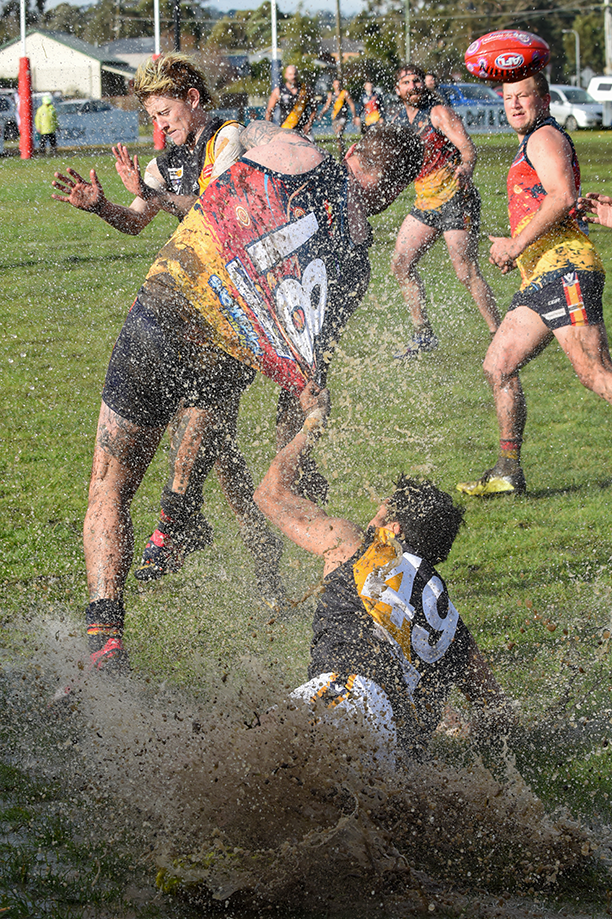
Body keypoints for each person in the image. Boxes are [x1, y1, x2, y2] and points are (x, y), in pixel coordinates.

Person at [77, 122, 424, 675]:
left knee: (110, 483)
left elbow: (224, 130)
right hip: (229, 353)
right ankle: (185, 521)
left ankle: (105, 637)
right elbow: (308, 374)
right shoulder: (356, 258)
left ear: (353, 149)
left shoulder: (294, 147)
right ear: (398, 189)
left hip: (169, 306)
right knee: (216, 466)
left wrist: (182, 131)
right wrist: (294, 455)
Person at [51, 53, 283, 597]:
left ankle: (189, 526)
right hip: (193, 312)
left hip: (235, 315)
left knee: (203, 434)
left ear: (193, 100)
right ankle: (259, 558)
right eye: (152, 116)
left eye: (165, 112)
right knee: (220, 457)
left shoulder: (229, 139)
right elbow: (138, 223)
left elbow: (215, 211)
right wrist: (103, 205)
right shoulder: (162, 163)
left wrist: (153, 196)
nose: (160, 125)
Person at [254, 382, 516, 763]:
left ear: (393, 530)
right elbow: (498, 714)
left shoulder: (356, 546)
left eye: (379, 514)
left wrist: (312, 423)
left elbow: (270, 495)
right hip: (397, 752)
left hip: (342, 700)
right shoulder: (449, 623)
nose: (370, 520)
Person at [457, 73, 612, 497]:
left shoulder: (544, 136)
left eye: (523, 97)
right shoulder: (529, 140)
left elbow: (562, 195)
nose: (514, 105)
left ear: (544, 100)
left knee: (595, 373)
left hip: (566, 269)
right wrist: (519, 250)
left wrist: (515, 245)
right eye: (508, 98)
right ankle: (508, 470)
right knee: (498, 365)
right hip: (543, 275)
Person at [390, 64, 500, 357]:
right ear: (397, 90)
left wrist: (466, 167)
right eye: (406, 82)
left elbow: (468, 149)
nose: (413, 86)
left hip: (455, 198)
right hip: (426, 201)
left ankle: (497, 332)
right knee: (401, 264)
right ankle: (423, 334)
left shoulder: (439, 113)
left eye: (416, 81)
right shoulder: (399, 120)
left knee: (466, 272)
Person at [265, 64, 316, 137]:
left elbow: (314, 109)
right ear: (286, 75)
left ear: (297, 74)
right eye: (290, 74)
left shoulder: (306, 89)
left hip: (304, 130)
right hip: (286, 128)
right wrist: (269, 128)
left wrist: (309, 124)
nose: (293, 77)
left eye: (295, 74)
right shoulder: (278, 91)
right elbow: (269, 110)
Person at [317, 78, 358, 156]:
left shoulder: (345, 93)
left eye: (339, 84)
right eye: (335, 84)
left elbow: (351, 104)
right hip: (335, 117)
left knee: (338, 132)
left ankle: (342, 153)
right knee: (338, 137)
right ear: (333, 85)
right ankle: (341, 152)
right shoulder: (331, 94)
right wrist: (321, 114)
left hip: (343, 117)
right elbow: (327, 105)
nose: (337, 86)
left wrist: (354, 116)